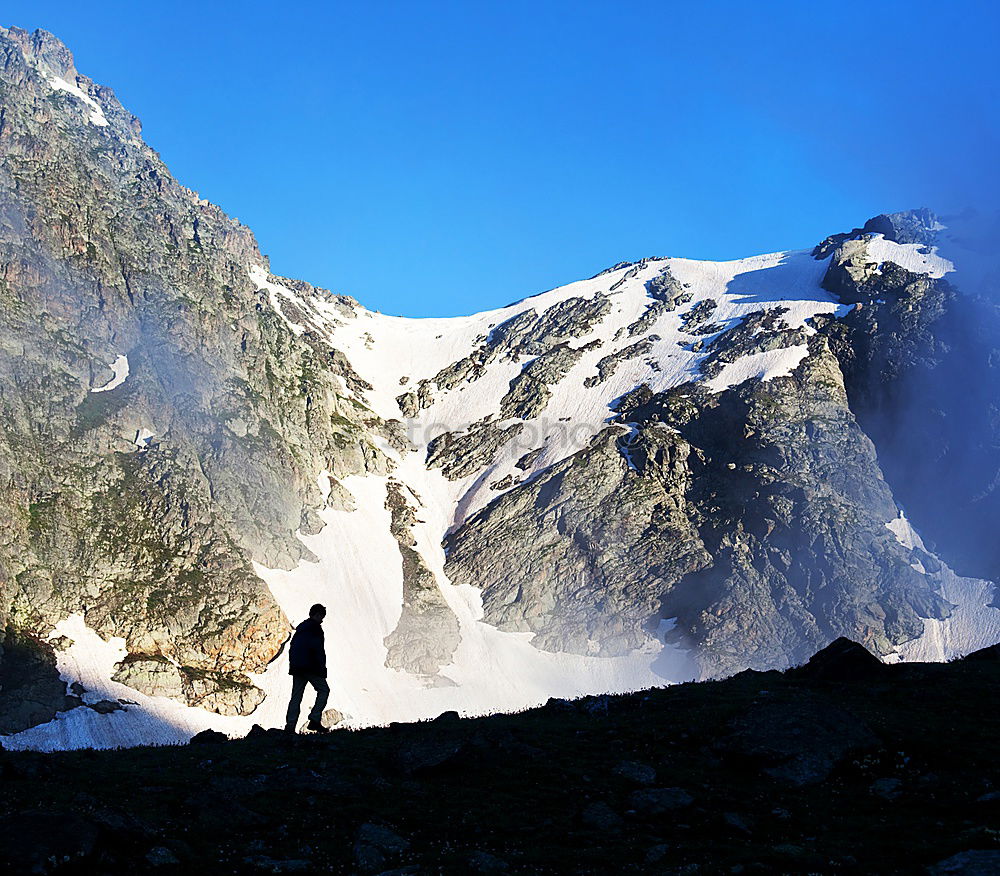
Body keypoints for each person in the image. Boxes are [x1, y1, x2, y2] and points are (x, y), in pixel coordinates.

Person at [284, 603, 331, 734]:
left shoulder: (301, 628)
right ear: (316, 615)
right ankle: (314, 719)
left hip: (297, 668)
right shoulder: (315, 629)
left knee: (296, 697)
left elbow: (293, 648)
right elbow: (318, 651)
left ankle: (290, 726)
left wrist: (293, 666)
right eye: (321, 616)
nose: (322, 619)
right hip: (311, 667)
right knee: (324, 690)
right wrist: (322, 669)